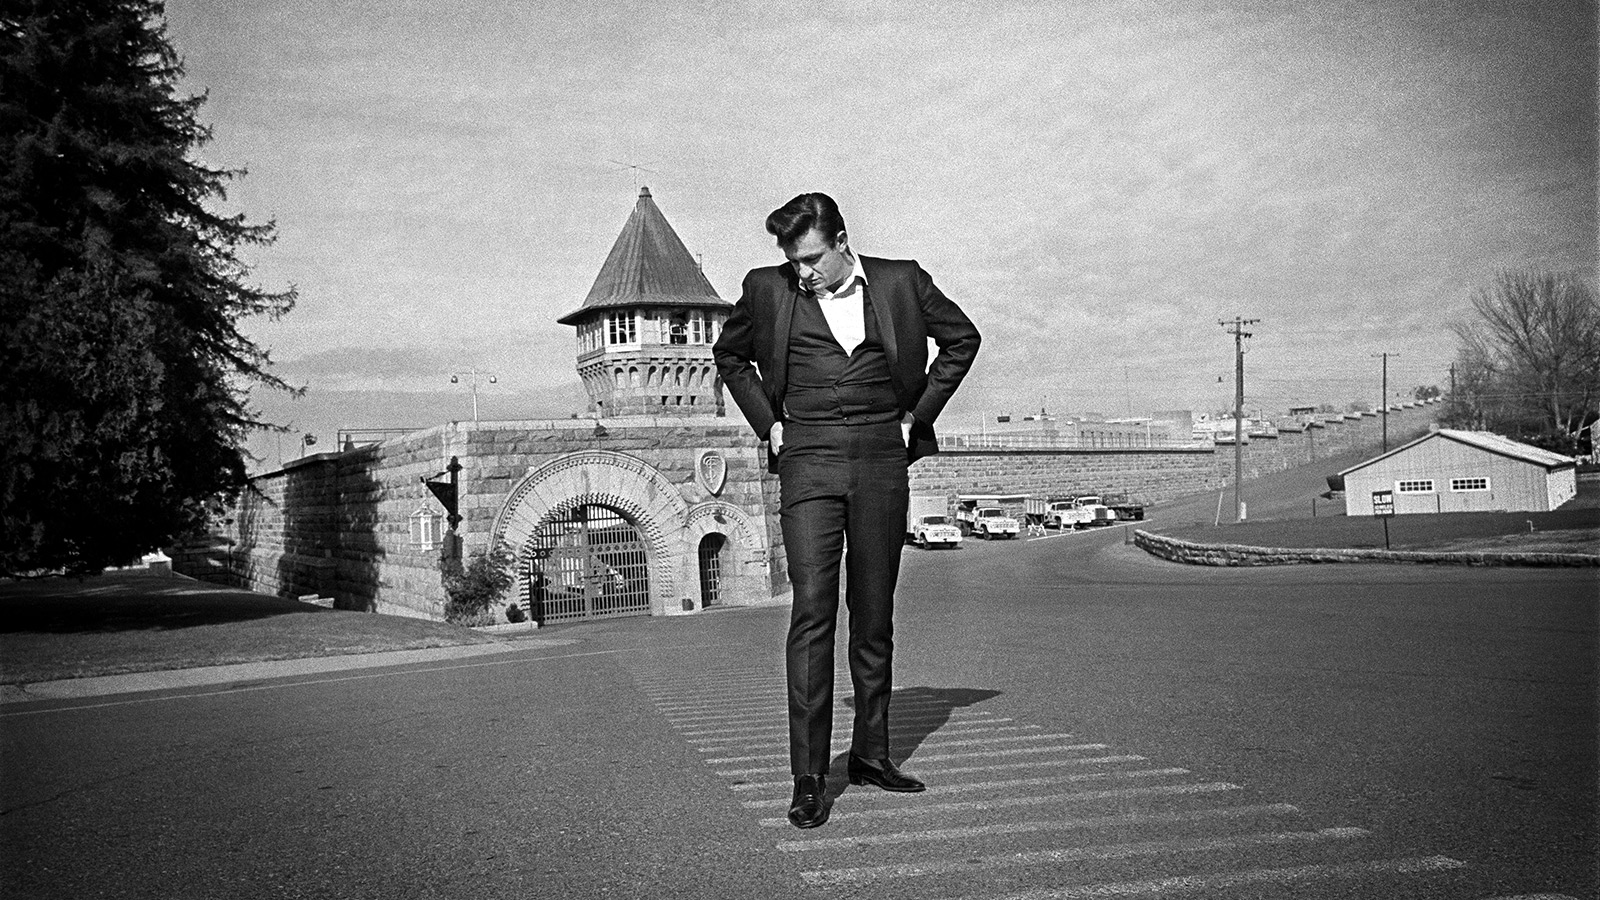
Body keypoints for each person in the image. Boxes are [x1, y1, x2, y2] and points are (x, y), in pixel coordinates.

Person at [712, 192, 981, 829]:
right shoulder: (768, 289)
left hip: (882, 463)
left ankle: (871, 754)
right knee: (812, 610)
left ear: (841, 242)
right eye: (792, 259)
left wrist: (920, 414)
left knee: (874, 611)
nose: (801, 271)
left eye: (810, 258)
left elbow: (962, 340)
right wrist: (768, 422)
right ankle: (809, 776)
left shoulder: (901, 281)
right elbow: (731, 355)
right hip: (807, 460)